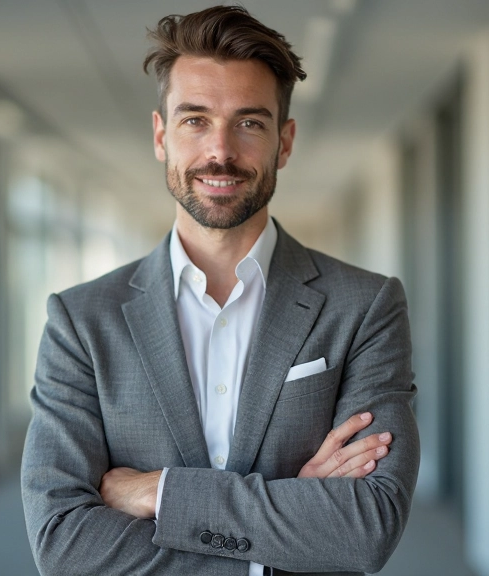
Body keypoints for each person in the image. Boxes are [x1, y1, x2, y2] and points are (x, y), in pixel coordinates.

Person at [21, 6, 419, 575]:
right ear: (162, 136)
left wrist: (161, 493)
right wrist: (280, 538)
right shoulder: (82, 321)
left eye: (250, 123)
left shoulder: (365, 307)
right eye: (195, 120)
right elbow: (63, 543)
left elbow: (366, 527)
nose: (221, 152)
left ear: (284, 142)